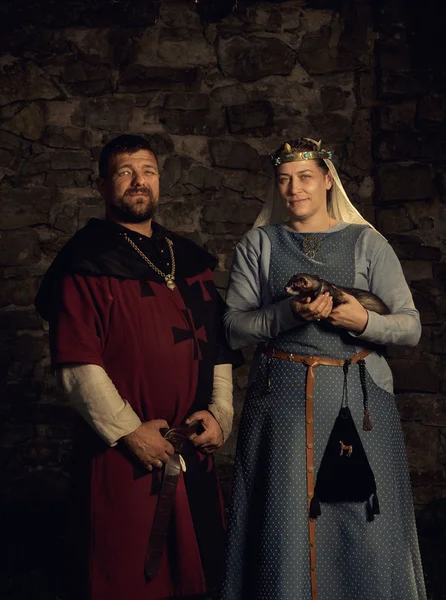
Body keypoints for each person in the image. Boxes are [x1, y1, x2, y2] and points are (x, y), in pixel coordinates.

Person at [35, 135, 242, 600]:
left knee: (200, 577)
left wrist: (220, 414)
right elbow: (76, 360)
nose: (138, 181)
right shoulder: (83, 262)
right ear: (103, 184)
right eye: (125, 172)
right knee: (125, 579)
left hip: (192, 445)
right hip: (125, 452)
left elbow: (219, 346)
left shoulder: (189, 259)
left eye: (147, 171)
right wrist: (130, 432)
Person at [220, 138, 427, 600]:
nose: (295, 189)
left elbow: (410, 327)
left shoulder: (368, 243)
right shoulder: (259, 244)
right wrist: (289, 315)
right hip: (281, 408)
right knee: (285, 518)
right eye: (285, 179)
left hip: (359, 401)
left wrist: (363, 321)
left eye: (306, 177)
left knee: (364, 522)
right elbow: (234, 328)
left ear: (328, 180)